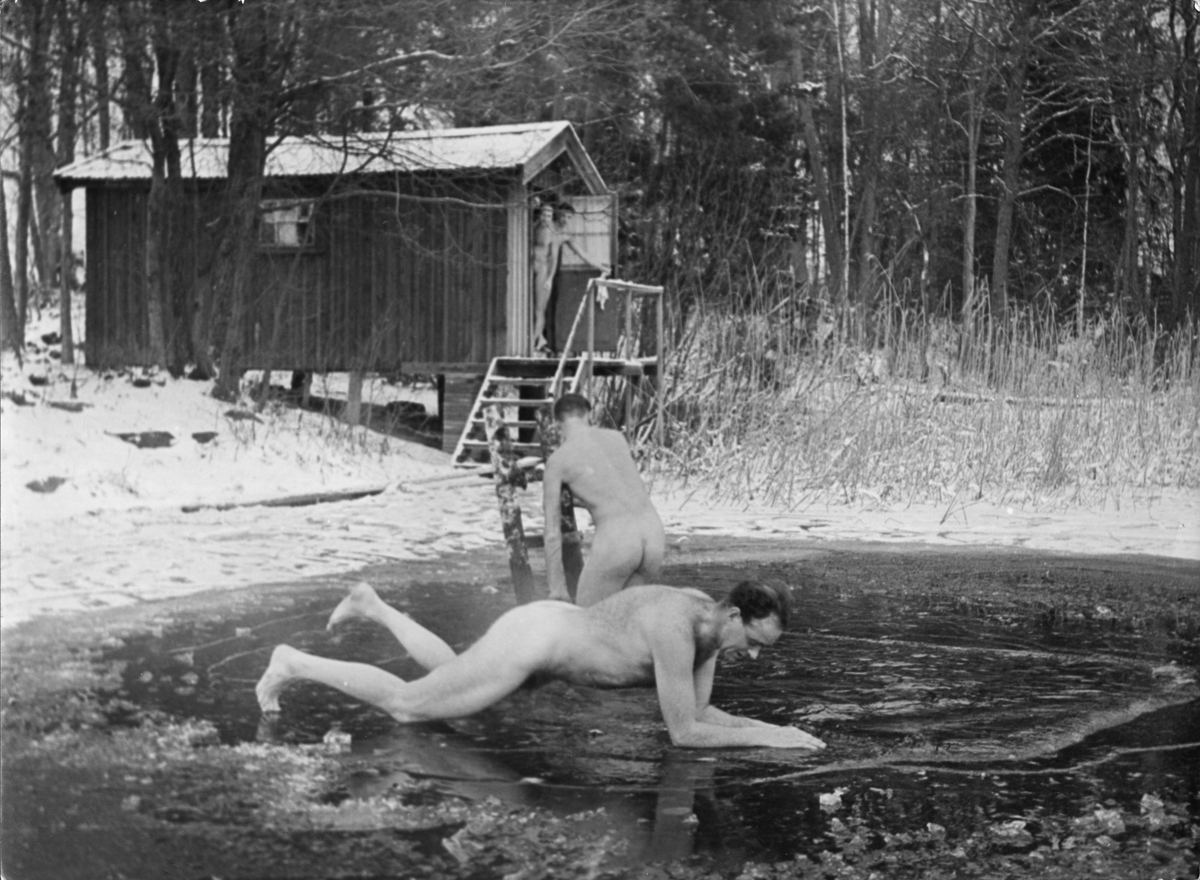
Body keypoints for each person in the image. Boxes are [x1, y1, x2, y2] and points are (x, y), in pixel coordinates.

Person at [256, 580, 826, 750]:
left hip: (550, 631)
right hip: (533, 640)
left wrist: (777, 731)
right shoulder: (677, 628)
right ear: (734, 614)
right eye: (754, 641)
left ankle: (372, 606)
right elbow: (684, 733)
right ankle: (294, 663)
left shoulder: (709, 629)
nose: (753, 655)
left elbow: (701, 712)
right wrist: (772, 737)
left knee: (451, 675)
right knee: (409, 706)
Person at [543, 393, 666, 606]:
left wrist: (557, 587)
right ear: (588, 415)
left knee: (588, 618)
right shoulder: (617, 438)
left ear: (558, 422)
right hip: (654, 534)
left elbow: (552, 533)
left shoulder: (558, 461)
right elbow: (613, 488)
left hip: (618, 540)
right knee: (629, 617)